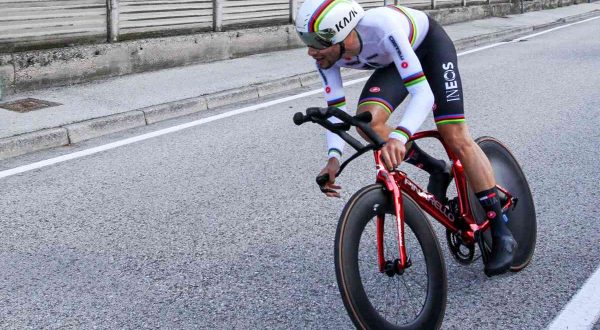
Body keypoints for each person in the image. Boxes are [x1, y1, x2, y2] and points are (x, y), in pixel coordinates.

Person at [295, 0, 516, 276]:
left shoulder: (382, 27)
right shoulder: (327, 55)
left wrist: (399, 137)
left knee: (454, 135)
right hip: (395, 58)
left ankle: (501, 229)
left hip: (429, 48)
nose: (310, 51)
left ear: (342, 34)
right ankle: (436, 168)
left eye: (316, 42)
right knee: (368, 123)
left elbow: (423, 94)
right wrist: (333, 159)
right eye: (306, 41)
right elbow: (337, 113)